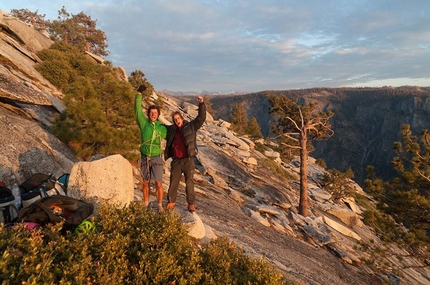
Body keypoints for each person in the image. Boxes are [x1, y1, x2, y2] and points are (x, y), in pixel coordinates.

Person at [164, 96, 206, 212]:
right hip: (176, 161)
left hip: (188, 160)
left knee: (189, 182)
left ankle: (191, 204)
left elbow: (201, 118)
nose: (177, 120)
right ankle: (171, 201)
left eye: (178, 118)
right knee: (173, 182)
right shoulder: (172, 129)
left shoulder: (191, 126)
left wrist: (201, 104)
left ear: (182, 118)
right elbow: (160, 127)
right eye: (175, 119)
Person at [134, 84, 167, 212]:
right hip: (144, 157)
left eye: (155, 113)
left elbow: (172, 137)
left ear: (158, 115)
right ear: (148, 114)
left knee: (158, 183)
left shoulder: (162, 128)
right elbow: (137, 110)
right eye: (151, 113)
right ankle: (146, 204)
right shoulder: (144, 124)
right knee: (145, 182)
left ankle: (159, 205)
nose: (153, 114)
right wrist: (139, 94)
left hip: (157, 157)